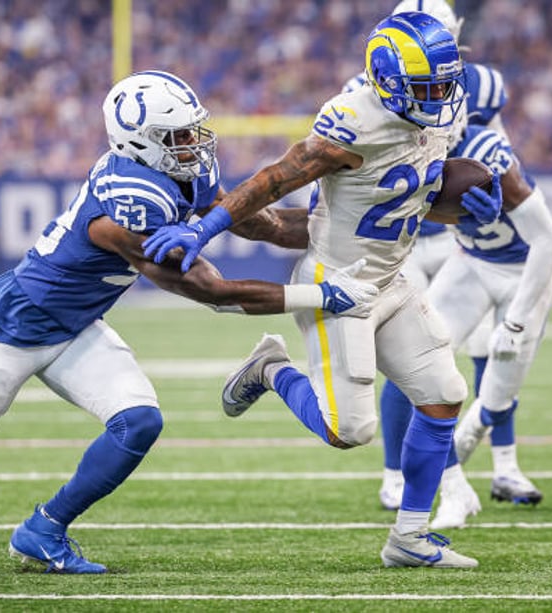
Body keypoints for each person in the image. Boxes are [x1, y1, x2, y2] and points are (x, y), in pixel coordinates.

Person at [0, 70, 375, 574]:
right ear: (140, 142)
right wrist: (318, 298)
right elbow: (207, 290)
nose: (196, 143)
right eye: (179, 135)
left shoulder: (180, 173)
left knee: (138, 422)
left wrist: (350, 229)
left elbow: (259, 224)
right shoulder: (130, 201)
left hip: (76, 325)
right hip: (16, 325)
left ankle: (44, 529)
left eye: (194, 130)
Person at [143, 13, 504, 568]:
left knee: (443, 395)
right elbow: (275, 179)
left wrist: (474, 207)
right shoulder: (354, 120)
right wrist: (202, 228)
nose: (438, 99)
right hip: (336, 282)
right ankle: (270, 369)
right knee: (349, 430)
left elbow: (417, 195)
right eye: (425, 88)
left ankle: (409, 537)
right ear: (386, 80)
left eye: (443, 86)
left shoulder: (439, 113)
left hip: (393, 277)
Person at [342, 0, 518, 513]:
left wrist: (490, 196)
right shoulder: (361, 95)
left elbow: (494, 157)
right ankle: (396, 473)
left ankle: (505, 465)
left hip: (453, 231)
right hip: (399, 238)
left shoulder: (481, 86)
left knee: (489, 344)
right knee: (410, 355)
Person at [424, 112, 552, 529]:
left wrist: (517, 322)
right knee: (420, 359)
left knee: (498, 395)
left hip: (524, 271)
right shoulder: (403, 146)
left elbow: (548, 243)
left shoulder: (486, 153)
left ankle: (477, 428)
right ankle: (453, 489)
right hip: (470, 261)